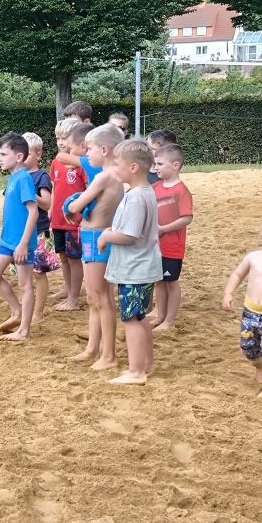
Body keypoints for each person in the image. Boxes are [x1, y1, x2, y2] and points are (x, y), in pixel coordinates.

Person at [98, 139, 162, 385]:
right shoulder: (142, 193)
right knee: (139, 317)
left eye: (118, 163)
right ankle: (146, 363)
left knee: (131, 319)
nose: (115, 168)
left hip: (135, 269)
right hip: (140, 267)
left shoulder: (136, 197)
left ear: (133, 167)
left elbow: (130, 234)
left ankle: (137, 371)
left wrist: (106, 235)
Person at [65, 124, 126, 370]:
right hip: (94, 237)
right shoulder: (112, 176)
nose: (85, 153)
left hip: (97, 238)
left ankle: (108, 355)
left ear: (104, 149)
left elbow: (76, 205)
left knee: (102, 298)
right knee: (94, 297)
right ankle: (93, 347)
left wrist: (70, 205)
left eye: (88, 149)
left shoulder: (104, 177)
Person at [222, 213, 262, 400]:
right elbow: (238, 275)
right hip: (250, 313)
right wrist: (228, 293)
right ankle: (258, 366)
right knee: (248, 346)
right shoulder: (253, 258)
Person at [0, 133, 38, 342]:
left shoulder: (24, 178)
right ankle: (17, 312)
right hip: (8, 240)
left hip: (21, 243)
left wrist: (24, 243)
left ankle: (24, 331)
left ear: (18, 156)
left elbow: (33, 211)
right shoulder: (13, 177)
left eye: (3, 154)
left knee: (25, 285)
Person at [150, 143, 193, 331]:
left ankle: (169, 320)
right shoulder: (155, 187)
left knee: (171, 282)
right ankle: (160, 315)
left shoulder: (181, 190)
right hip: (155, 244)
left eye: (159, 164)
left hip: (172, 246)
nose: (155, 168)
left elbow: (187, 218)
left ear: (175, 165)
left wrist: (164, 228)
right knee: (159, 280)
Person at [48, 119, 87, 311]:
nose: (61, 142)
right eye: (58, 138)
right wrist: (50, 210)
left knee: (74, 258)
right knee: (63, 256)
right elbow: (55, 186)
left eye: (65, 138)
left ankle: (74, 298)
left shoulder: (81, 164)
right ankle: (67, 289)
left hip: (74, 221)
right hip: (58, 219)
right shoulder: (56, 162)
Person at [23, 132, 57, 323]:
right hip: (22, 232)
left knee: (38, 273)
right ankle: (28, 308)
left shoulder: (41, 176)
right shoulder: (18, 175)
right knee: (25, 273)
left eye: (27, 153)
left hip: (39, 231)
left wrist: (30, 194)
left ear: (38, 154)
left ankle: (38, 312)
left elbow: (46, 203)